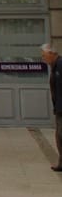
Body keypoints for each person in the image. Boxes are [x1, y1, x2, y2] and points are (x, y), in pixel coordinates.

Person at [44, 43, 62, 172]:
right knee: (59, 136)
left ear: (52, 54)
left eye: (44, 56)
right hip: (59, 108)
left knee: (61, 135)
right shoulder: (54, 66)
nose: (44, 59)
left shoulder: (60, 65)